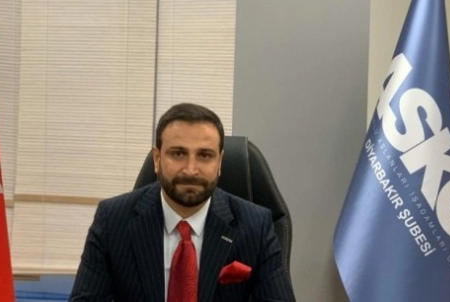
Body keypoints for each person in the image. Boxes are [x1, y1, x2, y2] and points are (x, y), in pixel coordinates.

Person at [69, 103, 295, 301]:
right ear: (157, 159)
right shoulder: (112, 220)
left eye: (205, 155)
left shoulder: (256, 226)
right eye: (178, 154)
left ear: (219, 163)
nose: (190, 170)